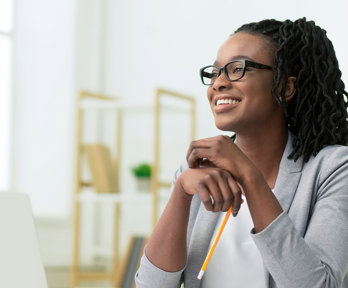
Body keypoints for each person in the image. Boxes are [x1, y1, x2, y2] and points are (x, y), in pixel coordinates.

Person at [135, 18, 348, 288]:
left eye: (238, 69)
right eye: (215, 73)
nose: (218, 84)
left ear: (285, 87)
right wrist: (180, 193)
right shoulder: (197, 171)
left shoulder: (333, 167)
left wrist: (248, 174)